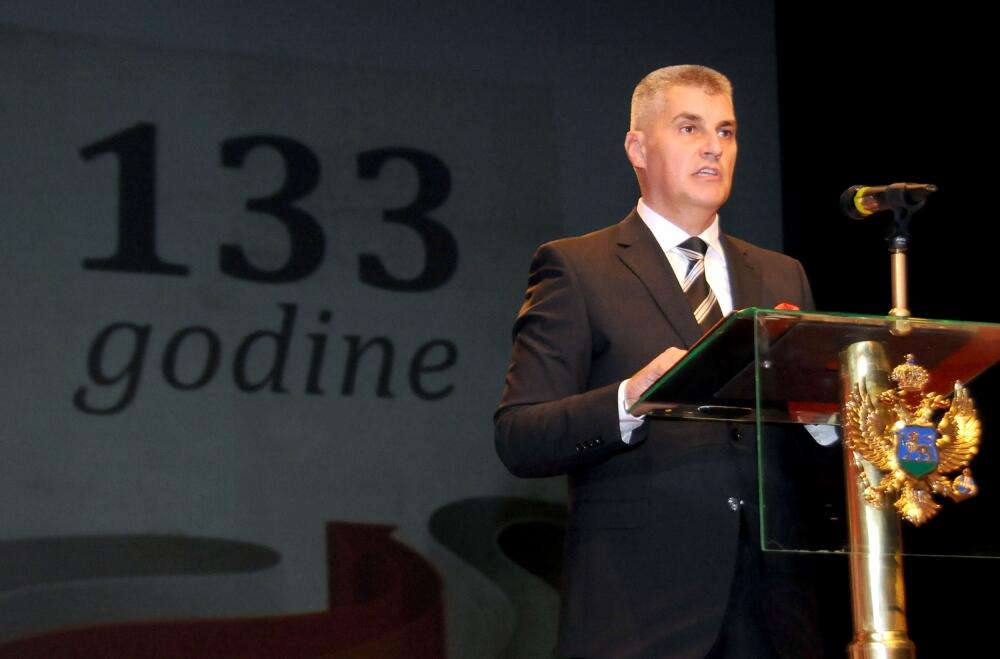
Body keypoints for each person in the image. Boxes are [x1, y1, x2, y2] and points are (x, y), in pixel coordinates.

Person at [494, 65, 823, 659]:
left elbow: (802, 454)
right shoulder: (577, 268)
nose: (713, 147)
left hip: (775, 613)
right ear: (638, 149)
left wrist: (826, 416)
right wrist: (630, 399)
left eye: (726, 131)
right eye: (690, 128)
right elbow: (520, 437)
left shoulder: (782, 275)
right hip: (639, 611)